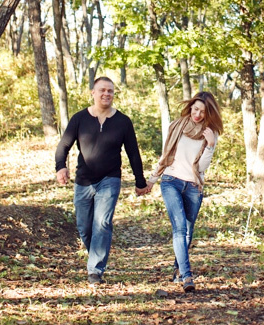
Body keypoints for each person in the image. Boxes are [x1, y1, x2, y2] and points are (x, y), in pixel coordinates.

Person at [55, 76, 151, 284]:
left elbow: (133, 153)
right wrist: (61, 167)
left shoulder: (123, 121)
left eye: (110, 91)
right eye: (102, 90)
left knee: (102, 223)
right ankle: (95, 256)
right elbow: (63, 146)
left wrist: (140, 181)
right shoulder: (80, 118)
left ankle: (95, 270)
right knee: (84, 227)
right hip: (83, 180)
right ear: (93, 92)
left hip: (110, 179)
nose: (106, 94)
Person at [146, 91, 223, 293]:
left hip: (193, 187)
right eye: (195, 109)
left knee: (188, 231)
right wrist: (152, 180)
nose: (197, 115)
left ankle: (178, 270)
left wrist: (211, 146)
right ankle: (187, 276)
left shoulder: (210, 133)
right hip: (171, 180)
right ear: (190, 107)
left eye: (202, 112)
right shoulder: (177, 125)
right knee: (179, 228)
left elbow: (202, 167)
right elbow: (166, 155)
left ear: (209, 114)